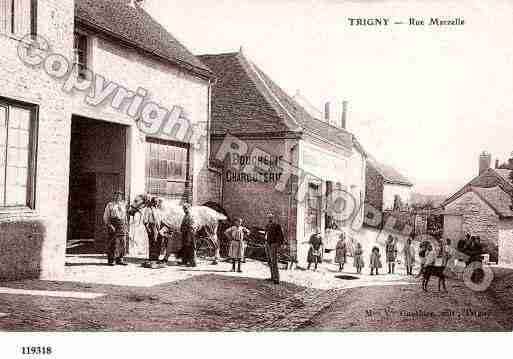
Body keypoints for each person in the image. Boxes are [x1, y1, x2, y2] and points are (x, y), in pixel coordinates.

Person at [103, 190, 128, 266]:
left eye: (119, 196)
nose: (117, 197)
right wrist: (109, 225)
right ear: (114, 196)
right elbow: (106, 216)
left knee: (122, 242)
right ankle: (111, 260)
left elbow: (125, 216)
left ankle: (120, 259)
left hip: (122, 224)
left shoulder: (123, 205)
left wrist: (126, 225)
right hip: (113, 224)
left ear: (121, 197)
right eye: (116, 195)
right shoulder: (110, 205)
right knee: (113, 242)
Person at [265, 212, 284, 284]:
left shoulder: (277, 225)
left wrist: (277, 244)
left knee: (274, 261)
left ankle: (277, 278)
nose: (269, 219)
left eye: (271, 217)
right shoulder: (267, 225)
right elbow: (266, 234)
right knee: (269, 261)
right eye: (268, 217)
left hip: (273, 244)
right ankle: (272, 276)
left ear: (273, 218)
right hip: (267, 243)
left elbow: (281, 236)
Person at [181, 202, 197, 267]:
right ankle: (187, 261)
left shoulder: (190, 215)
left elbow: (191, 225)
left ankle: (193, 262)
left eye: (185, 208)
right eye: (184, 209)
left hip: (189, 233)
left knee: (191, 247)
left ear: (189, 208)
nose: (184, 210)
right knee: (187, 247)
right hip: (186, 233)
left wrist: (185, 228)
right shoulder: (186, 215)